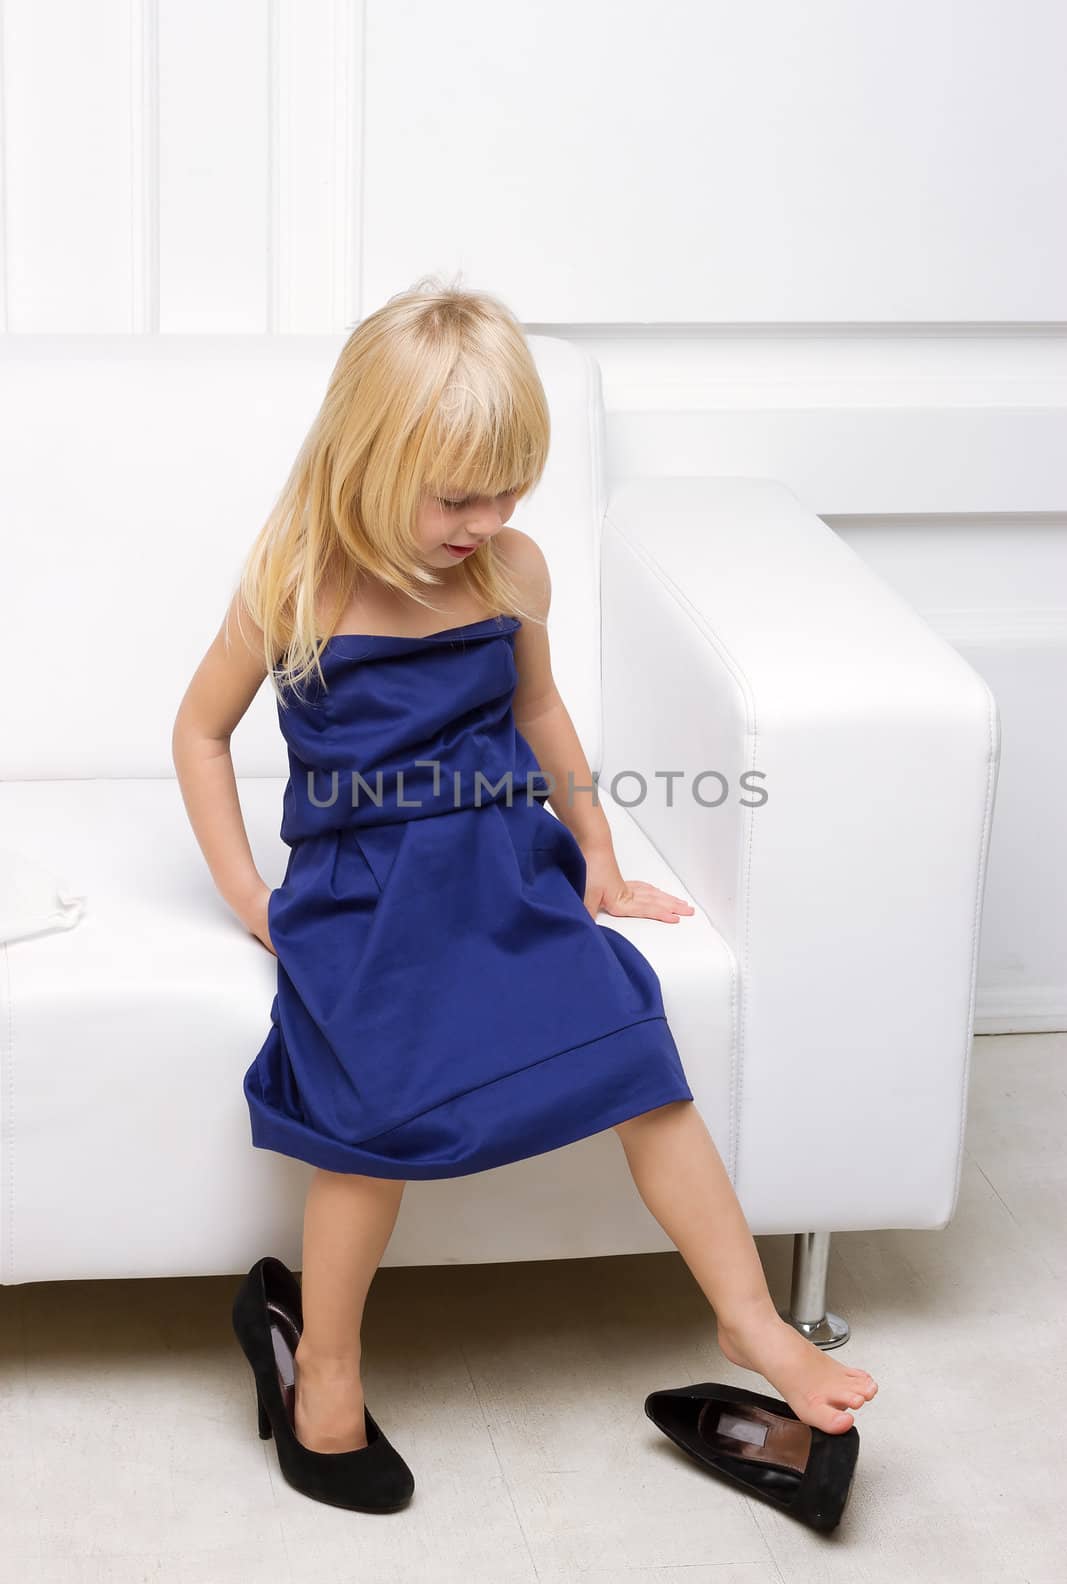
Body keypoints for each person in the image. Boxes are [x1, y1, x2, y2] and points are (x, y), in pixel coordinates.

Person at [172, 277, 877, 1506]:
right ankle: (318, 1366)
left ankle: (751, 1320)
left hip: (506, 869)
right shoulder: (291, 579)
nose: (485, 516)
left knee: (638, 1055)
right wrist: (248, 895)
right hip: (366, 891)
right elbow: (197, 731)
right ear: (365, 457)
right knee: (366, 1116)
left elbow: (539, 708)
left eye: (509, 488)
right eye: (457, 494)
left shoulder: (510, 569)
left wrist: (595, 853)